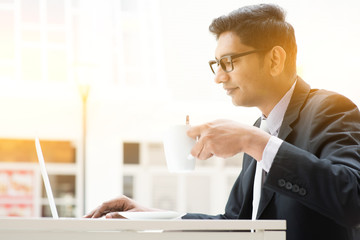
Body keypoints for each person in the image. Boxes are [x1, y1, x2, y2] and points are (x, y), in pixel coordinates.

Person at [84, 4, 360, 240]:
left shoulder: (329, 110)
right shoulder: (259, 132)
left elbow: (353, 199)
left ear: (275, 59)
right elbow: (237, 225)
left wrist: (252, 141)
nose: (219, 77)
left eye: (228, 62)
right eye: (216, 65)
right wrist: (148, 217)